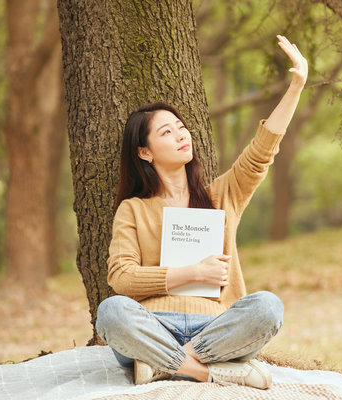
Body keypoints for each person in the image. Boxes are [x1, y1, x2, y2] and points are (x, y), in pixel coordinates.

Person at [95, 35, 307, 390]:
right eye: (167, 131)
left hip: (215, 328)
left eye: (181, 126)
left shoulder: (222, 195)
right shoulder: (133, 209)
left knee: (268, 307)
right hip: (153, 324)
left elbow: (262, 151)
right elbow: (122, 278)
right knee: (111, 312)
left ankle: (166, 363)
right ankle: (208, 372)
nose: (181, 135)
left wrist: (296, 86)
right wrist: (192, 272)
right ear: (145, 152)